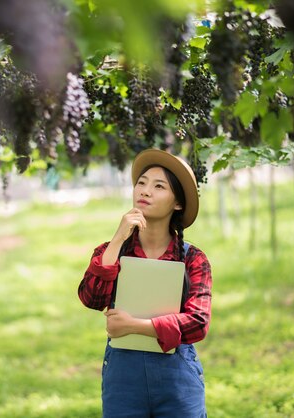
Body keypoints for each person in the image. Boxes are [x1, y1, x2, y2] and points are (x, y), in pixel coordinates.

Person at [78, 149, 212, 418]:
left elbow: (198, 323)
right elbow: (91, 298)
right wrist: (117, 239)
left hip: (178, 381)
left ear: (177, 203)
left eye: (158, 186)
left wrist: (134, 326)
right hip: (123, 382)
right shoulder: (113, 251)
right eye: (141, 182)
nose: (146, 191)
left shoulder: (193, 259)